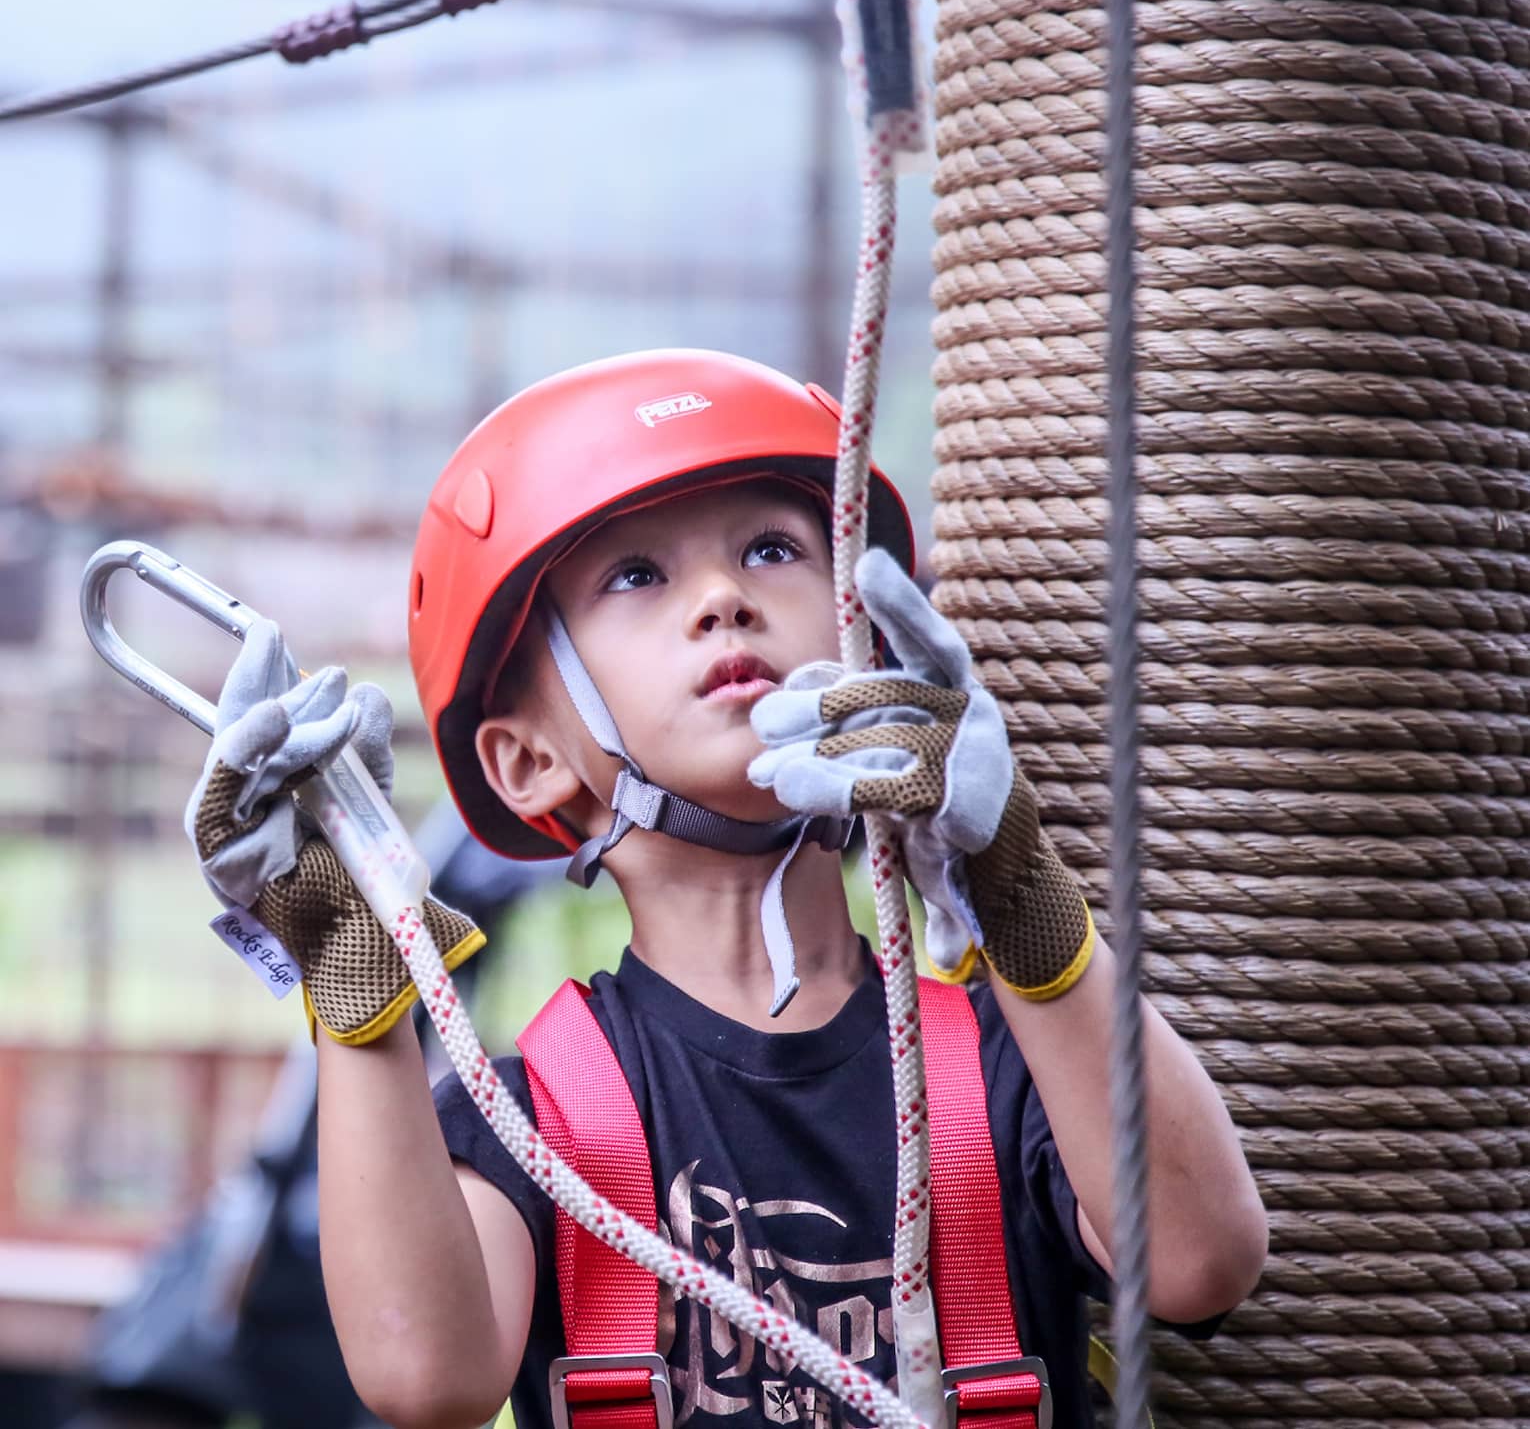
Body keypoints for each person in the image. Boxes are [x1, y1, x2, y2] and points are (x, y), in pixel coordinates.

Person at [183, 350, 1267, 1429]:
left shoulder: (1006, 1063)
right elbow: (426, 1375)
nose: (724, 599)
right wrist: (351, 977)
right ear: (527, 762)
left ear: (865, 646)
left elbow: (1200, 1259)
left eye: (770, 548)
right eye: (638, 576)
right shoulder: (533, 1123)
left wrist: (1017, 888)